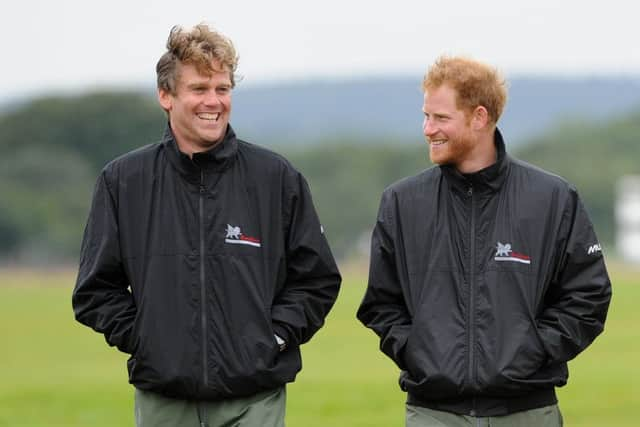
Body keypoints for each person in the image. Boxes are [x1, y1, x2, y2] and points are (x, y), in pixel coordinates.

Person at [72, 23, 341, 427]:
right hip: (164, 396)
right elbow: (94, 291)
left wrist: (274, 337)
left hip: (255, 395)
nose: (213, 101)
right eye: (199, 89)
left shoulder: (276, 178)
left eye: (222, 88)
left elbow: (317, 280)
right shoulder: (123, 181)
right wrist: (148, 342)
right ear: (166, 95)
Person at [357, 56, 611, 426]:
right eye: (425, 116)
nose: (428, 129)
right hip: (433, 412)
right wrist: (418, 351)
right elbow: (381, 304)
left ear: (479, 117)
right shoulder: (402, 202)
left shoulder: (552, 198)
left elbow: (588, 294)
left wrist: (534, 350)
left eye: (440, 118)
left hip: (528, 411)